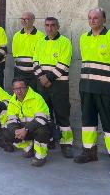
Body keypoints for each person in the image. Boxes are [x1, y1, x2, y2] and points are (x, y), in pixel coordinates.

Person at [75, 8, 110, 174]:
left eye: (96, 18)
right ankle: (89, 152)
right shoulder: (84, 38)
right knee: (88, 123)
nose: (92, 20)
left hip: (106, 89)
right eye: (90, 18)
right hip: (87, 88)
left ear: (104, 19)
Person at [32, 17, 74, 158]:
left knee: (62, 114)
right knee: (46, 113)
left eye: (53, 25)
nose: (49, 28)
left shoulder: (65, 42)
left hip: (59, 84)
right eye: (47, 25)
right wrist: (42, 78)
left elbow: (63, 64)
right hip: (42, 84)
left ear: (58, 26)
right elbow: (35, 62)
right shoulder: (40, 41)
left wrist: (48, 78)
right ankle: (49, 139)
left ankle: (66, 144)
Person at [1, 78, 51, 167]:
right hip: (24, 129)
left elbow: (42, 118)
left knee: (42, 131)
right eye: (16, 89)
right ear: (13, 90)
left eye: (21, 88)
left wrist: (26, 129)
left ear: (27, 88)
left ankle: (40, 156)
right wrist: (15, 130)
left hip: (37, 127)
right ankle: (28, 148)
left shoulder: (37, 98)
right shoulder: (12, 101)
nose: (19, 91)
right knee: (6, 132)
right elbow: (11, 119)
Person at [12, 11, 44, 90]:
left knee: (32, 95)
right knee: (19, 94)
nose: (23, 21)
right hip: (19, 72)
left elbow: (41, 55)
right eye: (22, 19)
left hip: (33, 73)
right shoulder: (17, 35)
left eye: (26, 19)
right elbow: (15, 54)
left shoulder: (40, 36)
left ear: (33, 20)